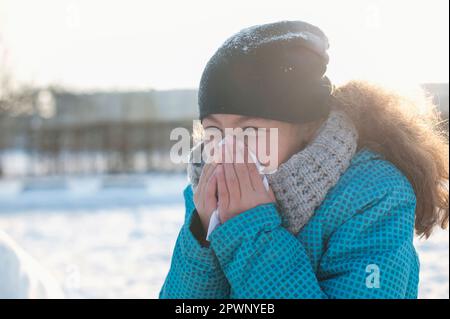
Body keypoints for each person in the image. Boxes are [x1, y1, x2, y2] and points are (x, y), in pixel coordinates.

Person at [159, 20, 449, 298]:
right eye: (214, 131)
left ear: (308, 127)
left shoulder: (374, 196)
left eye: (249, 131)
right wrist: (202, 237)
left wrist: (251, 232)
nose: (226, 150)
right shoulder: (208, 192)